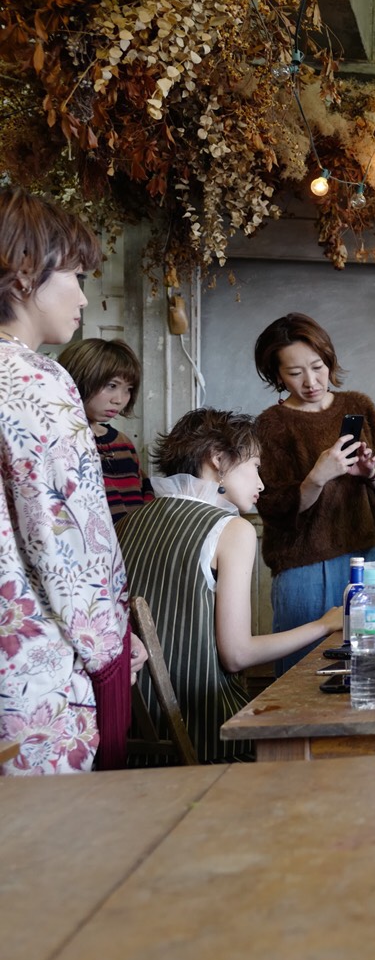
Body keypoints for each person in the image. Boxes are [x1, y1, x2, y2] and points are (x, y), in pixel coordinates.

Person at [0, 187, 142, 774]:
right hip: (34, 676)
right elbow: (72, 545)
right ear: (25, 272)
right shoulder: (37, 381)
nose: (83, 296)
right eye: (76, 276)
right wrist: (113, 646)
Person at [118, 409, 344, 764]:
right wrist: (325, 624)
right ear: (218, 459)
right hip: (207, 738)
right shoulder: (230, 529)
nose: (262, 483)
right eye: (255, 466)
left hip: (129, 739)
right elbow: (237, 655)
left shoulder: (130, 522)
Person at [252, 313, 375, 675]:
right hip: (303, 566)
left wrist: (371, 474)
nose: (310, 382)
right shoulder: (271, 425)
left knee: (369, 667)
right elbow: (272, 506)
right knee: (301, 674)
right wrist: (316, 478)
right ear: (277, 375)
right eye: (295, 373)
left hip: (366, 559)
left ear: (329, 361)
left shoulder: (358, 406)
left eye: (318, 367)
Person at [57, 337, 152, 524]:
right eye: (112, 386)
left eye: (128, 389)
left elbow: (145, 495)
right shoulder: (61, 439)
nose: (119, 399)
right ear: (79, 378)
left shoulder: (122, 442)